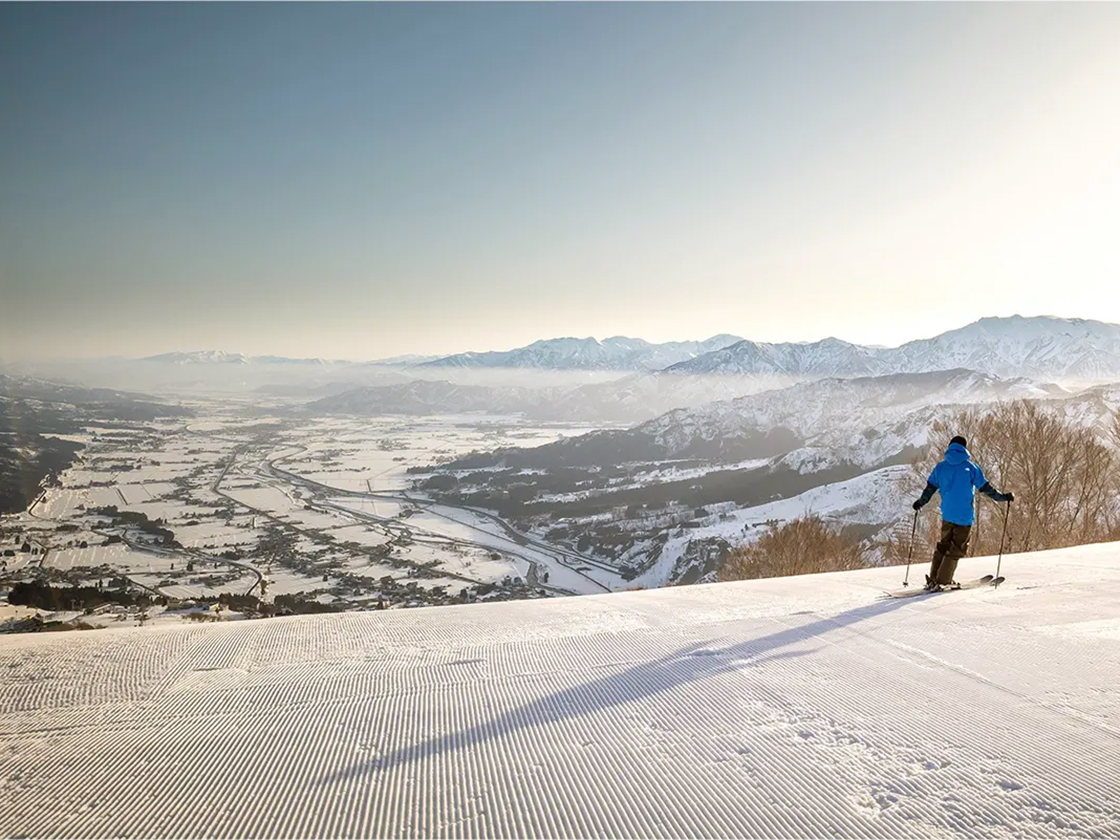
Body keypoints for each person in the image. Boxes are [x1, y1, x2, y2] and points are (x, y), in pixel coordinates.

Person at [912, 435, 1013, 591]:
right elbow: (986, 489)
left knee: (943, 546)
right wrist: (1003, 497)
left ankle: (933, 578)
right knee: (957, 548)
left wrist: (920, 502)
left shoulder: (940, 467)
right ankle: (943, 580)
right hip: (964, 516)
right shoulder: (970, 467)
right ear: (964, 448)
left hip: (947, 514)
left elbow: (929, 489)